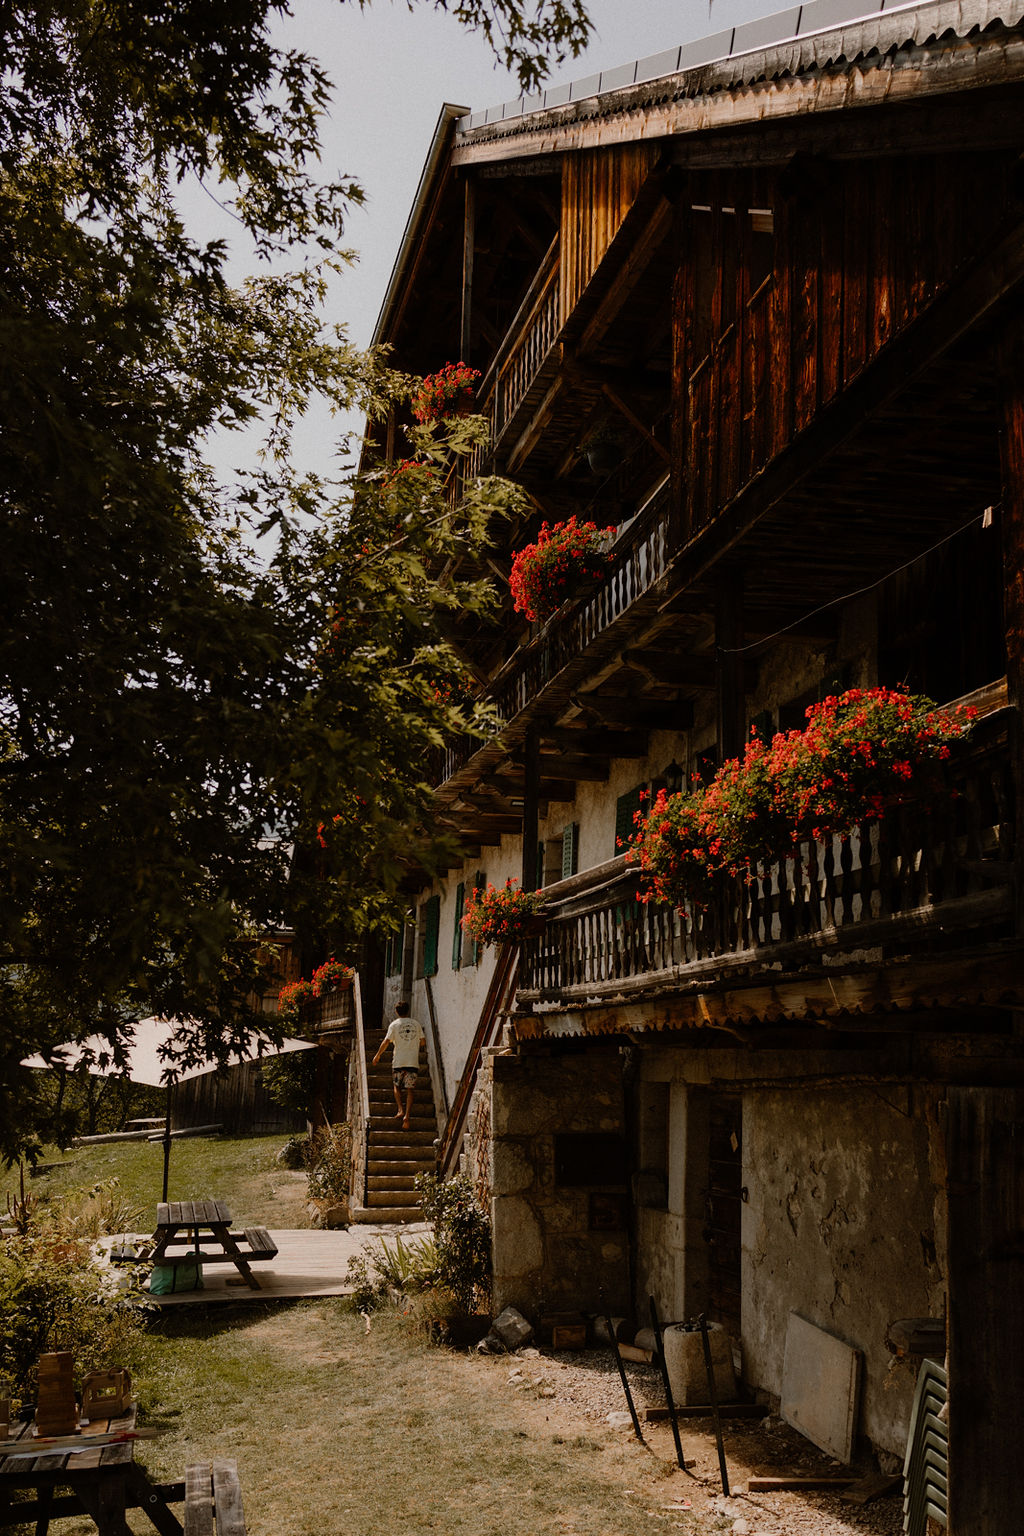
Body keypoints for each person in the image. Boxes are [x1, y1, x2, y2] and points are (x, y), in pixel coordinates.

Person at [372, 1001, 425, 1131]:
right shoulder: (416, 1024)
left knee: (396, 1086)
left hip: (399, 1061)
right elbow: (423, 1042)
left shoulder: (394, 1025)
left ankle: (400, 1109)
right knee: (410, 1089)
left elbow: (386, 1042)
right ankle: (407, 1116)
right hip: (412, 1061)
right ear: (408, 1010)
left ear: (396, 1012)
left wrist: (378, 1055)